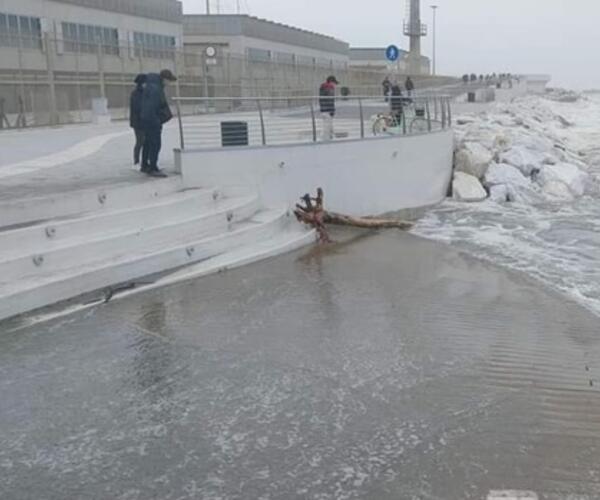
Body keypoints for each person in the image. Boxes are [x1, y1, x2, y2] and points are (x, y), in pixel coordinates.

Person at [140, 69, 177, 178]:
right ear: (164, 79)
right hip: (152, 121)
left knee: (147, 143)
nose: (169, 83)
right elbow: (151, 107)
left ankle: (145, 165)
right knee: (155, 144)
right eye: (169, 81)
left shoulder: (152, 85)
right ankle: (153, 167)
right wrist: (156, 121)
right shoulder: (155, 89)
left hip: (147, 120)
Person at [130, 74, 146, 169]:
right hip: (138, 122)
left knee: (145, 142)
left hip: (143, 121)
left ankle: (144, 160)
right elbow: (138, 107)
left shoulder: (143, 92)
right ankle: (136, 161)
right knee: (140, 141)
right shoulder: (136, 93)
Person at [319, 75, 338, 141]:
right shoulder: (329, 88)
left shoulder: (323, 88)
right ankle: (326, 140)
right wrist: (332, 110)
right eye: (334, 83)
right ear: (331, 82)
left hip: (323, 109)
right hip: (328, 110)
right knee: (327, 126)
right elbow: (330, 100)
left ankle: (328, 137)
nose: (335, 85)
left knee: (327, 126)